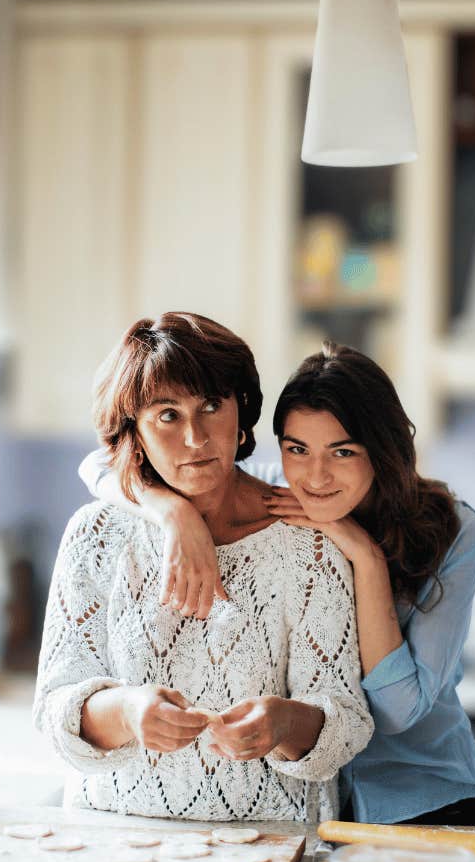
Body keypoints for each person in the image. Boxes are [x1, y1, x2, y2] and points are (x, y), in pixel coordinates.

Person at [82, 341, 475, 827]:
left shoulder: (455, 530)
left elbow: (399, 712)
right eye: (297, 448)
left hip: (419, 798)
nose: (315, 476)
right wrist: (172, 513)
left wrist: (363, 554)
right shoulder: (277, 492)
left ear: (383, 452)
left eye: (343, 451)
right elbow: (100, 466)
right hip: (316, 805)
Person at [34, 315, 372, 822]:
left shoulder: (310, 542)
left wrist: (283, 724)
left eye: (211, 407)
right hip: (112, 846)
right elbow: (54, 711)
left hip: (273, 845)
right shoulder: (95, 535)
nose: (195, 437)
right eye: (167, 416)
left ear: (241, 417)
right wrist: (126, 711)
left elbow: (346, 723)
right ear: (136, 434)